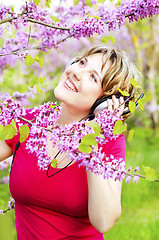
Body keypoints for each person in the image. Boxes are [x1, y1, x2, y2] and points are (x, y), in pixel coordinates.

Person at [0, 46, 139, 239]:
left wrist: (92, 140)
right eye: (81, 63)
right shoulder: (29, 122)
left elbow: (104, 221)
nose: (76, 73)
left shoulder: (108, 140)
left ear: (105, 100)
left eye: (93, 77)